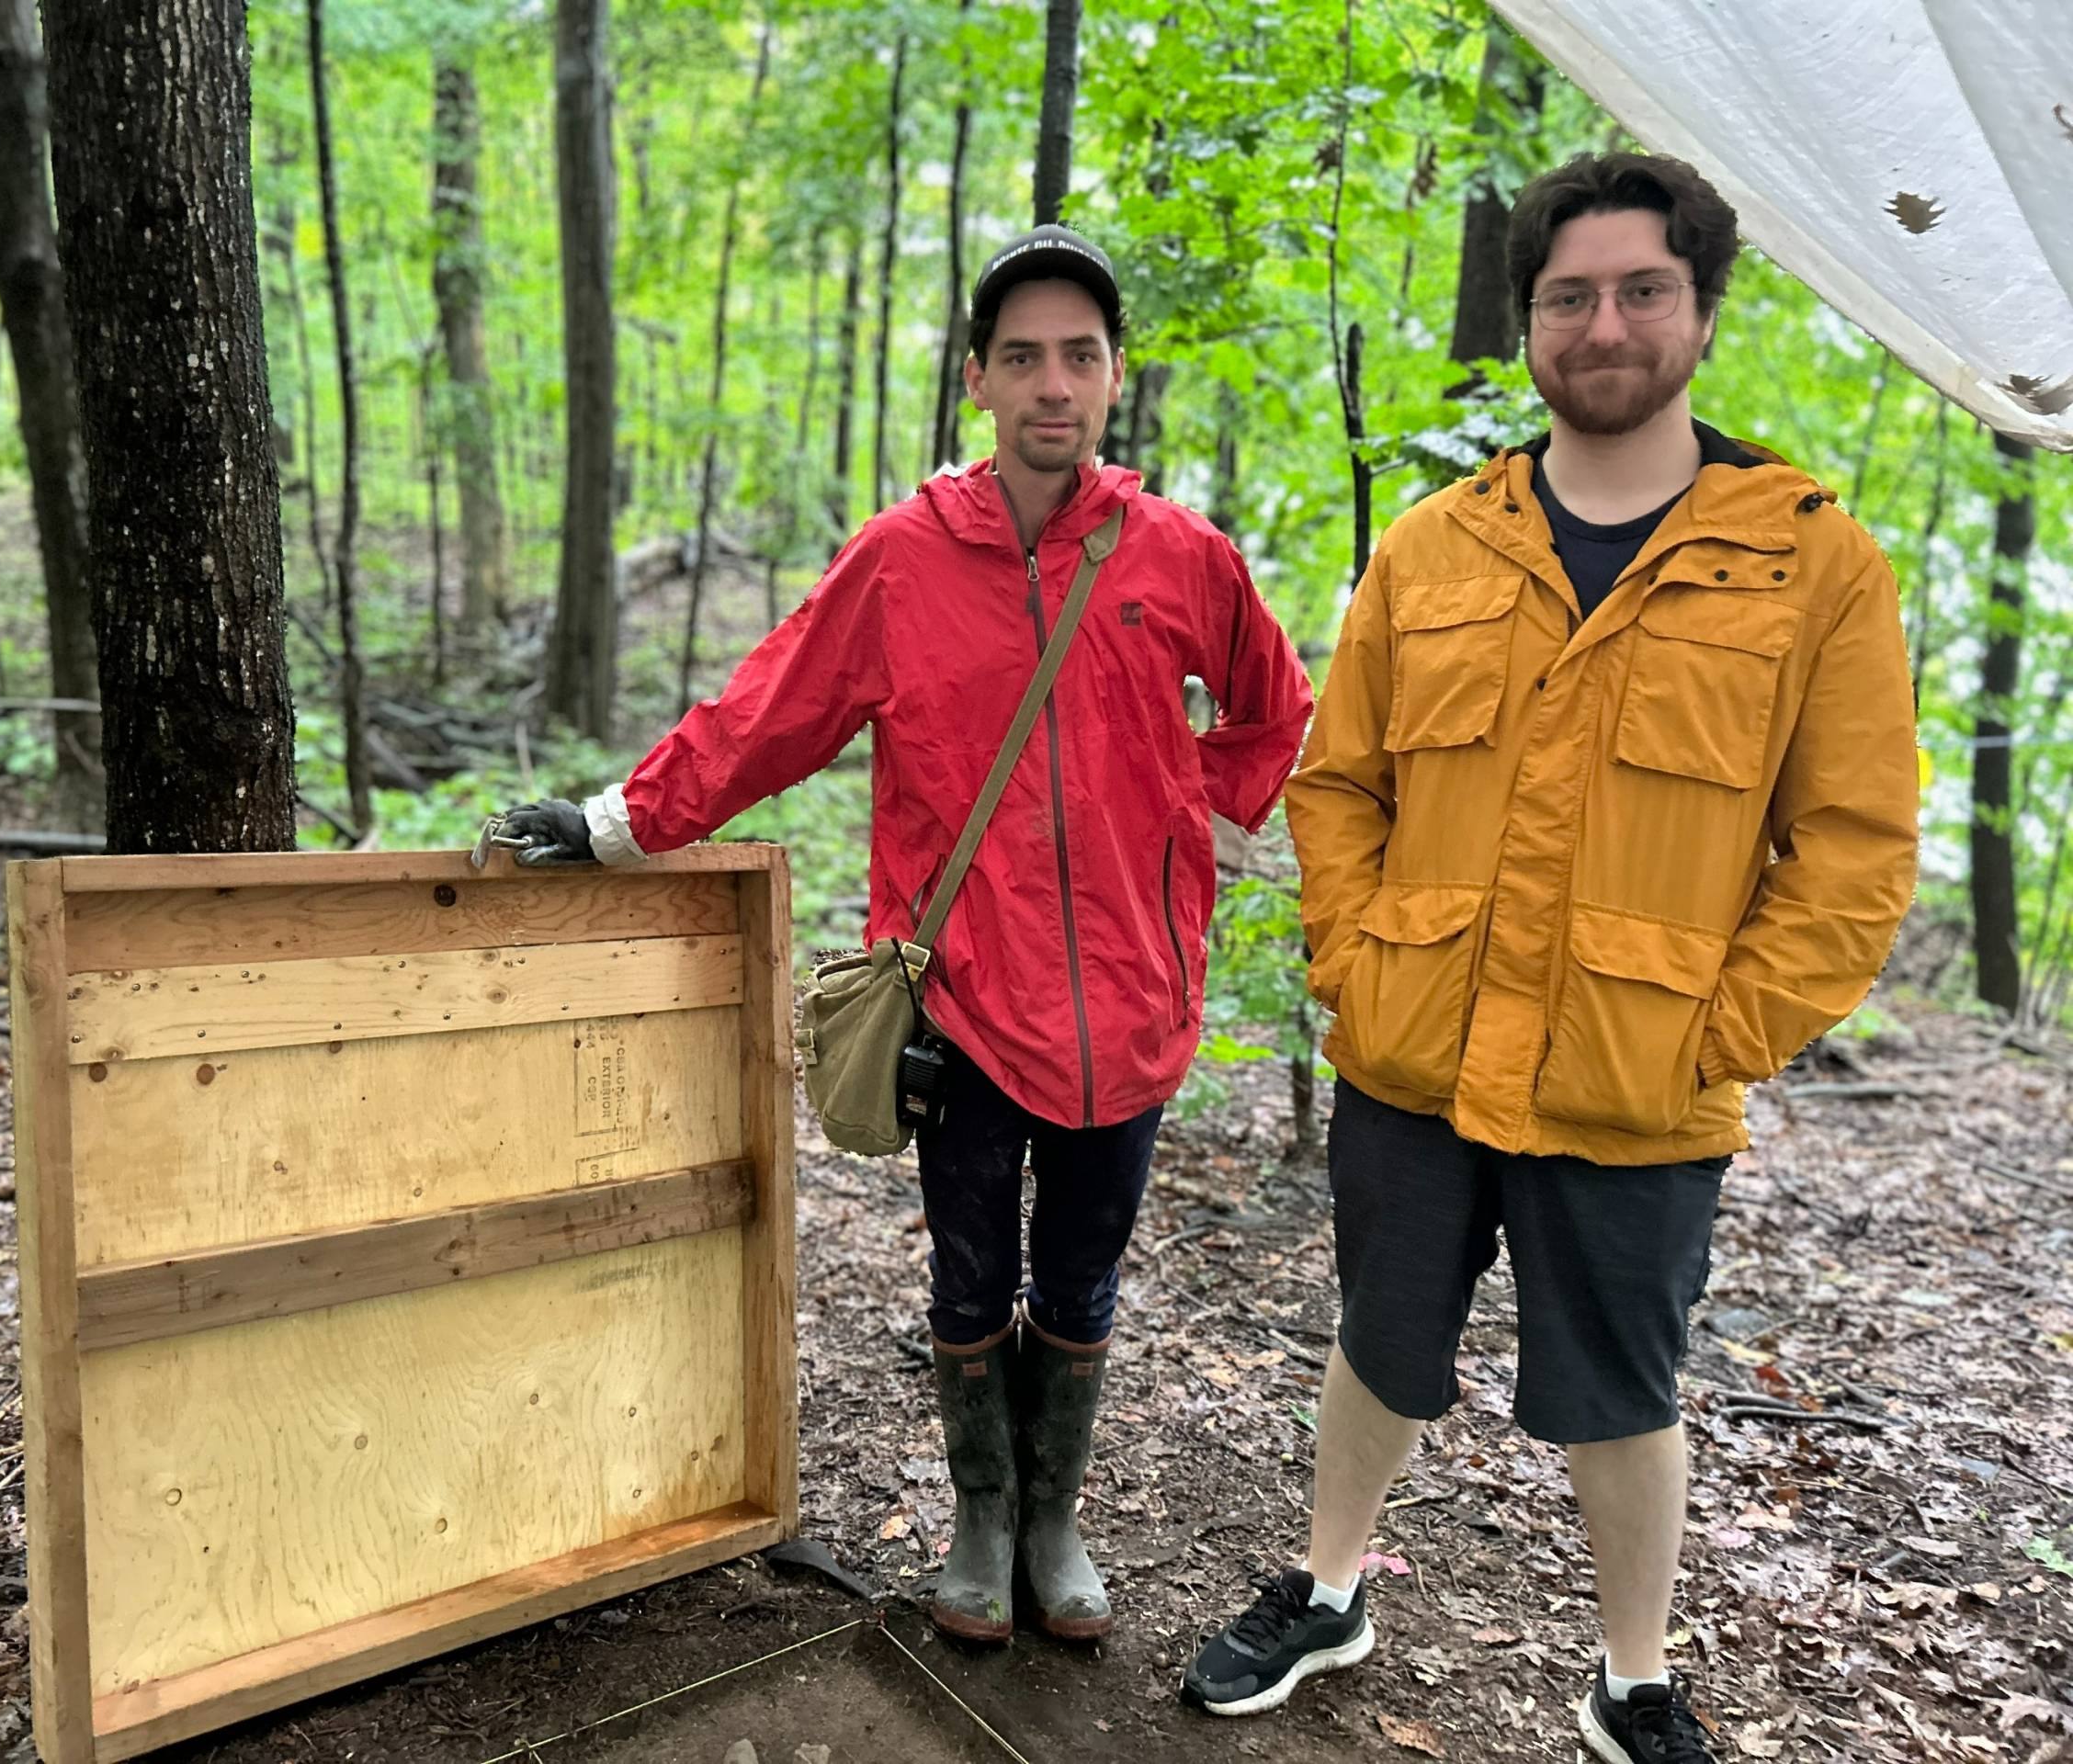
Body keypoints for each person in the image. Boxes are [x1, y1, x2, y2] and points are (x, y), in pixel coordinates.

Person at [1180, 153, 1918, 1764]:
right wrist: (1356, 968)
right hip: (1415, 1052)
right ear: (1528, 325)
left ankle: (1633, 1678)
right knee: (1378, 1341)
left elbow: (1853, 853)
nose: (1605, 324)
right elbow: (1338, 782)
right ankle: (1328, 1590)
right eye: (1570, 296)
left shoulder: (1812, 565)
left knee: (1623, 1392)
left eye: (1642, 289)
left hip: (1639, 1079)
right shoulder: (1440, 547)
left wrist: (1716, 1034)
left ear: (1703, 313)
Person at [493, 226, 1313, 1646]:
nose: (1052, 384)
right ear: (979, 382)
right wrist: (620, 820)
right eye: (1022, 358)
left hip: (1133, 1000)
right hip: (967, 999)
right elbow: (767, 716)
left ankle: (1055, 1519)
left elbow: (1273, 709)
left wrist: (1195, 819)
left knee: (1085, 1273)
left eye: (1079, 355)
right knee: (970, 1270)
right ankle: (983, 1519)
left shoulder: (1180, 557)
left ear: (1115, 376)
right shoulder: (904, 560)